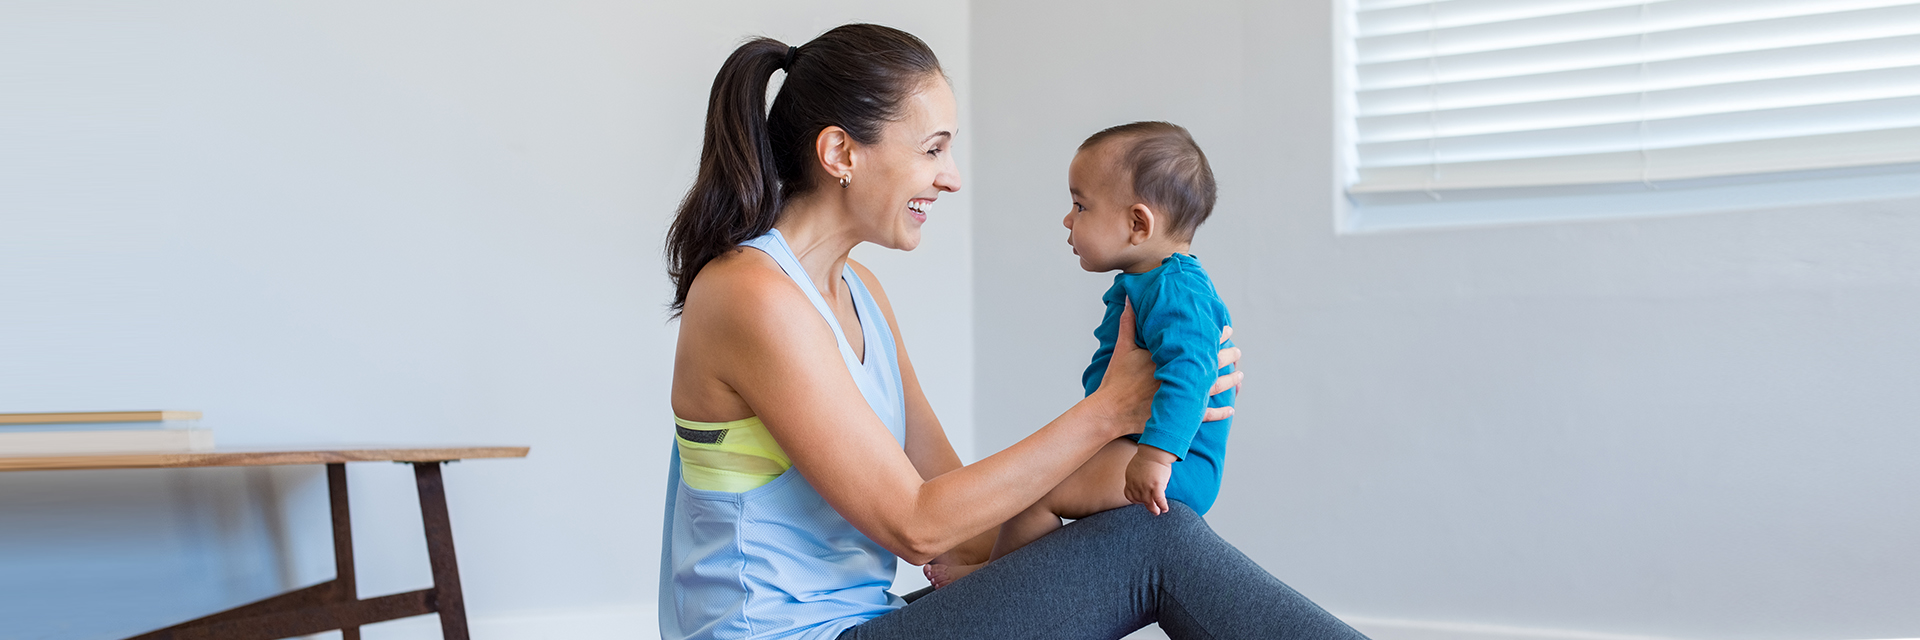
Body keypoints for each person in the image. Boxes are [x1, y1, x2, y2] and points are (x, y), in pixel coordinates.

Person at [661, 22, 1368, 640]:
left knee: (1139, 527)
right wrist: (1107, 414)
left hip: (868, 622)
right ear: (842, 154)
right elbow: (916, 525)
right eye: (934, 149)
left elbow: (952, 506)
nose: (952, 178)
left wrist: (1128, 446)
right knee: (1158, 543)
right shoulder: (749, 294)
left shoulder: (859, 292)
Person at [924, 121, 1235, 589]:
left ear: (1138, 223)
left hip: (1175, 464)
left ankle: (993, 580)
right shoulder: (1149, 283)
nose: (1068, 220)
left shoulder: (1176, 288)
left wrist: (1155, 456)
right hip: (1144, 451)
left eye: (1080, 205)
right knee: (1042, 482)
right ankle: (1001, 572)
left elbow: (1192, 375)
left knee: (1037, 491)